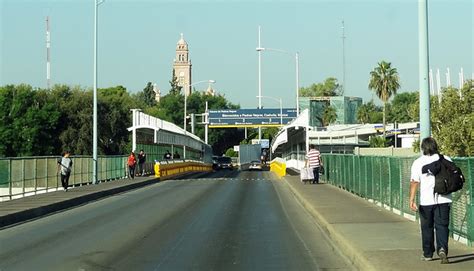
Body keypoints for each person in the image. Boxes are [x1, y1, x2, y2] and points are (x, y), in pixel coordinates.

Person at [409, 137, 451, 264]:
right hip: (444, 199)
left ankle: (428, 254)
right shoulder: (446, 159)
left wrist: (411, 199)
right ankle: (442, 248)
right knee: (442, 226)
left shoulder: (418, 162)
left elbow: (415, 182)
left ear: (423, 148)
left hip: (426, 201)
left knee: (427, 227)